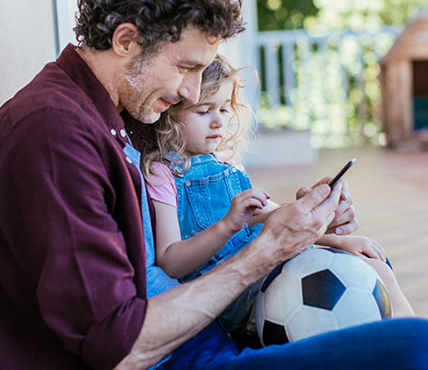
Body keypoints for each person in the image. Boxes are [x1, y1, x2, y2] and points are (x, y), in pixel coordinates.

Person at [0, 0, 427, 370]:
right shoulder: (54, 134)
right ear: (126, 41)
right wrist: (269, 249)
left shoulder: (127, 110)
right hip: (176, 352)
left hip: (204, 331)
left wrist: (309, 225)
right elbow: (120, 347)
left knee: (367, 262)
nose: (190, 92)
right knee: (414, 344)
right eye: (185, 68)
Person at [138, 55, 414, 340]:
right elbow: (170, 261)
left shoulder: (227, 169)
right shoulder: (164, 174)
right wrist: (227, 226)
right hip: (239, 294)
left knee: (377, 267)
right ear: (171, 115)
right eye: (204, 111)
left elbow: (280, 219)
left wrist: (339, 240)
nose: (218, 121)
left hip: (277, 266)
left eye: (223, 109)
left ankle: (414, 344)